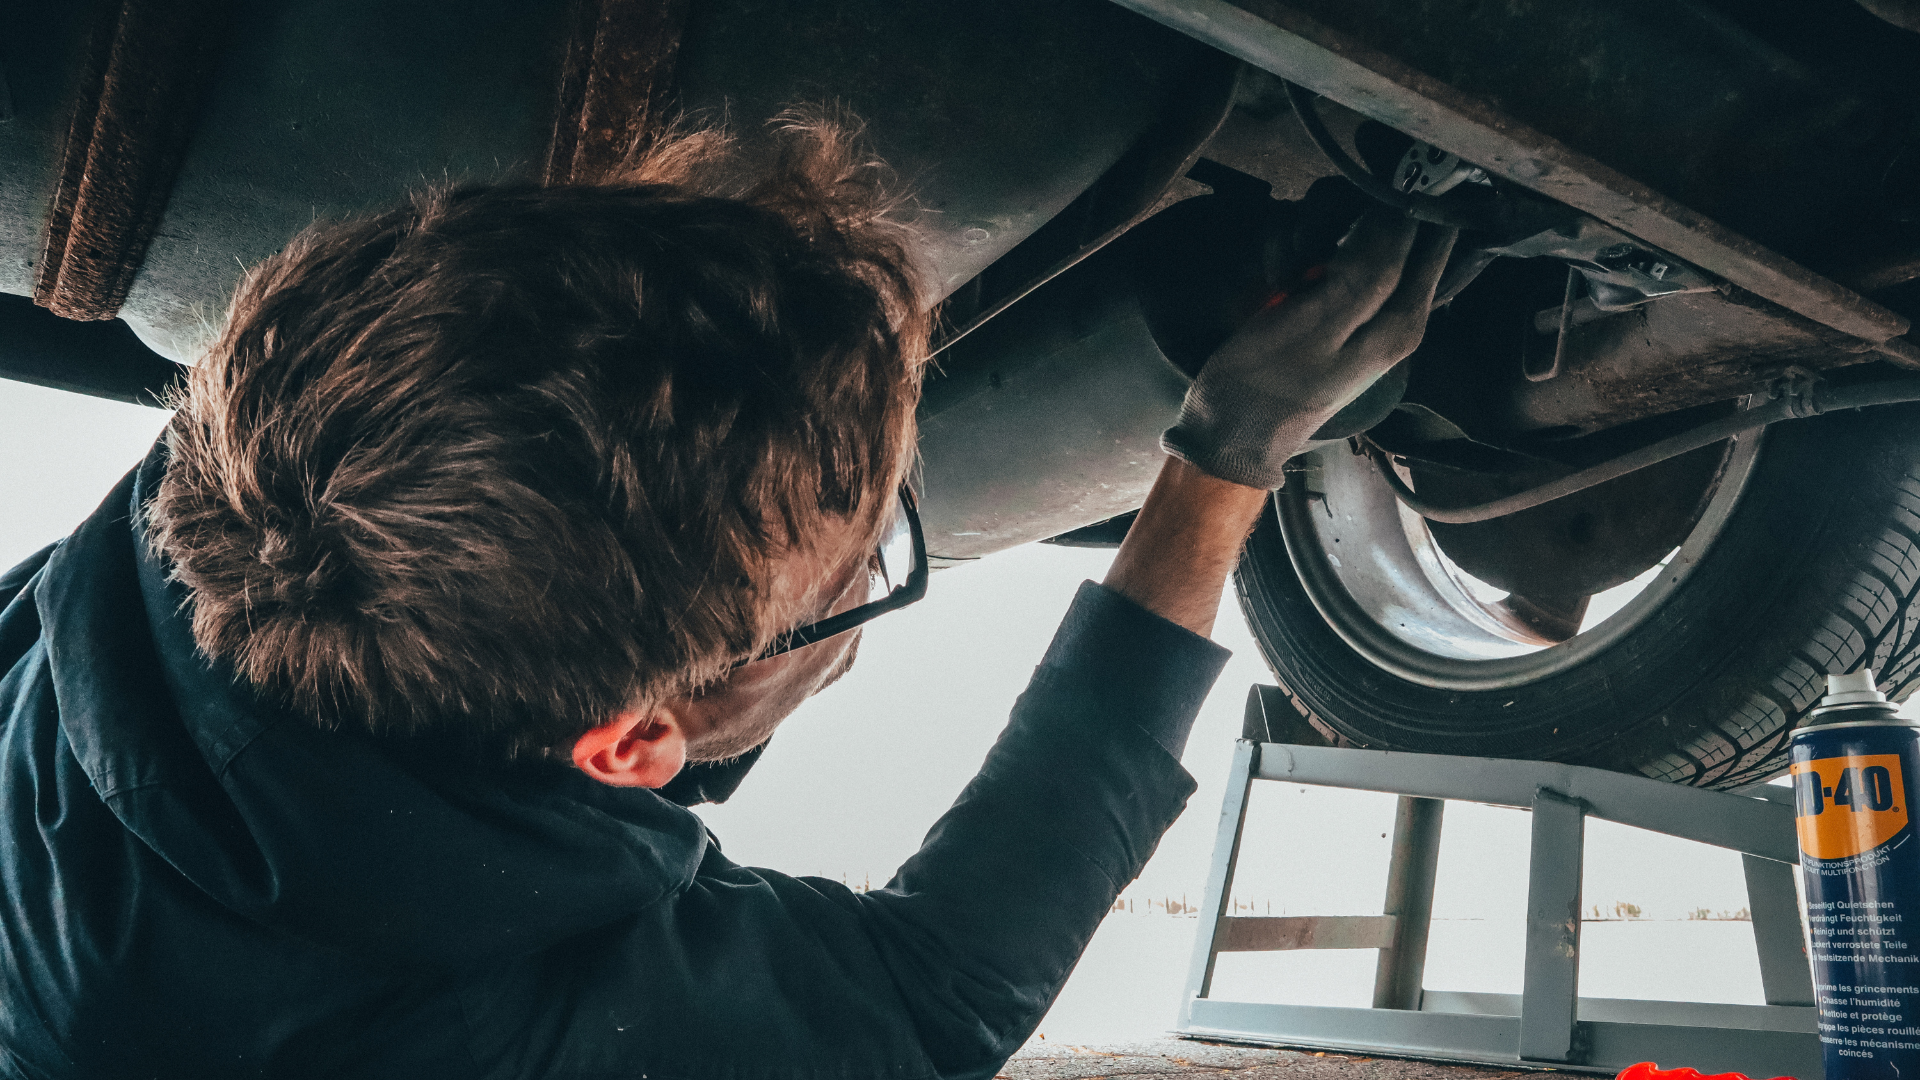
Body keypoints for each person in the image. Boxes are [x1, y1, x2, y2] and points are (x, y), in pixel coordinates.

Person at [0, 116, 1453, 1079]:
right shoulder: (457, 1032)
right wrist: (1220, 462)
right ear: (627, 745)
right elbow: (939, 993)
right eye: (862, 569)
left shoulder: (261, 455)